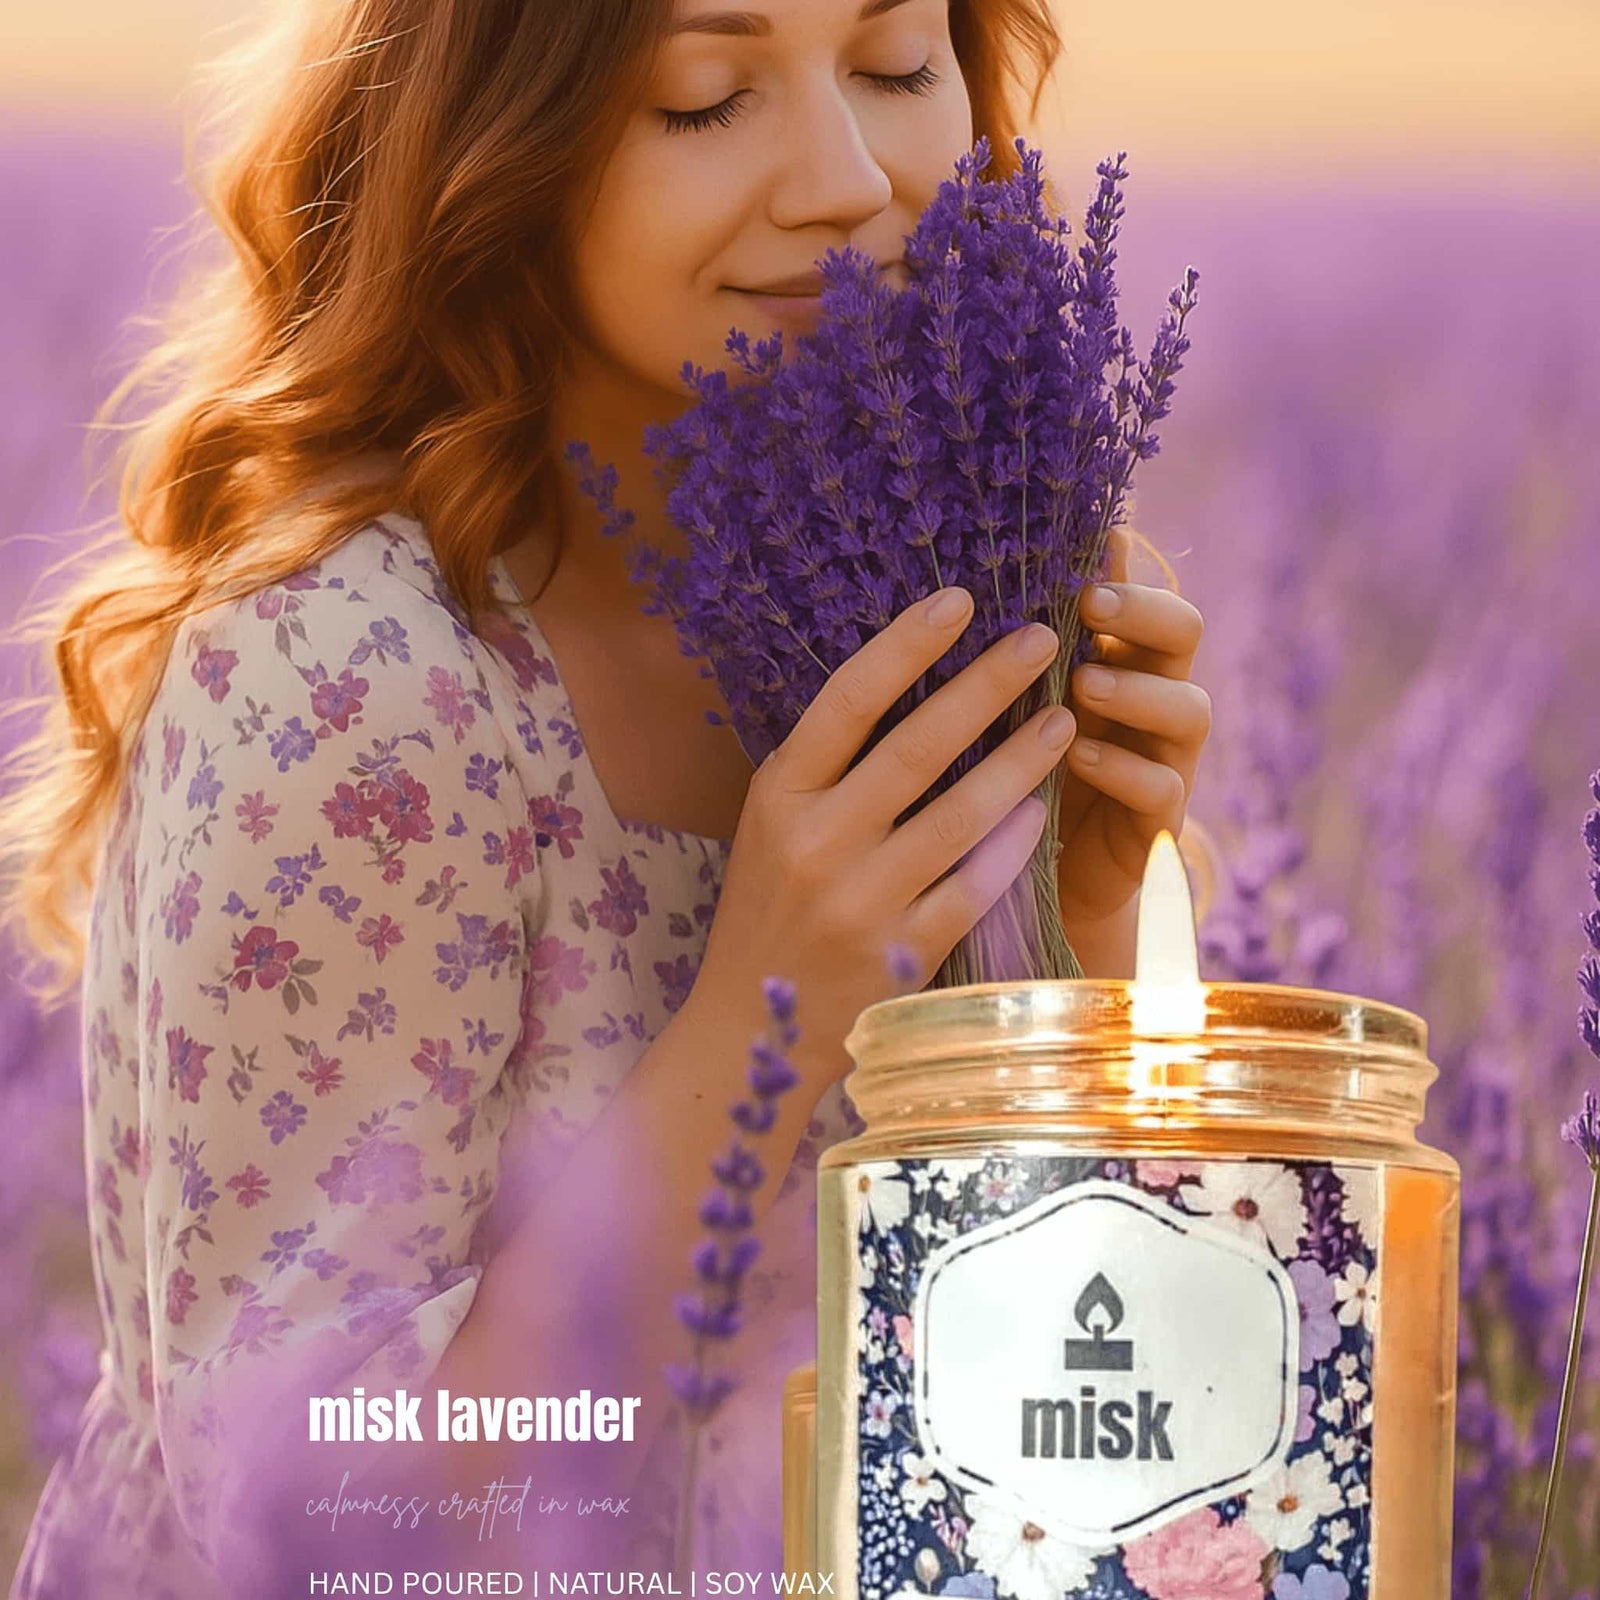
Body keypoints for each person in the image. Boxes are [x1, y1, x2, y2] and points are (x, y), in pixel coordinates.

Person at [0, 0, 1211, 1594]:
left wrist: (1077, 926)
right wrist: (756, 1033)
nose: (848, 179)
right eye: (705, 99)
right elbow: (305, 1529)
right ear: (497, 151)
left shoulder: (928, 597)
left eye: (898, 66)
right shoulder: (358, 687)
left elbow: (1063, 1397)